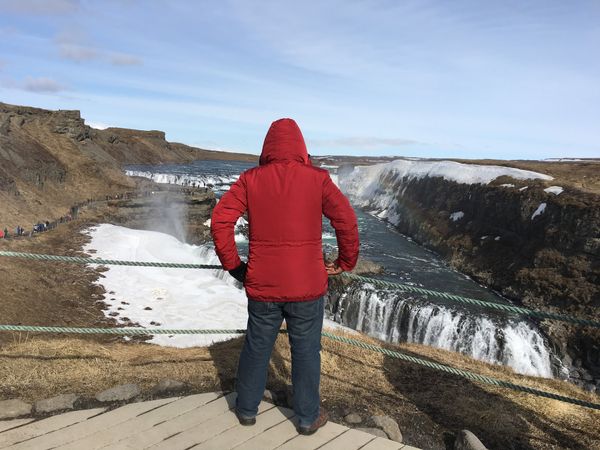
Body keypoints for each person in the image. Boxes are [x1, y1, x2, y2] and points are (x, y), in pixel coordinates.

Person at [211, 118, 359, 435]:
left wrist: (234, 266)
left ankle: (247, 410)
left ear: (267, 147)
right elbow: (345, 218)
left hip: (263, 284)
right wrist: (346, 260)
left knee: (256, 347)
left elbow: (220, 220)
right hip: (307, 286)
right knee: (306, 351)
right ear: (301, 147)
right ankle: (307, 418)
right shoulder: (318, 179)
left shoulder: (250, 180)